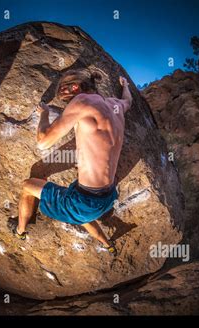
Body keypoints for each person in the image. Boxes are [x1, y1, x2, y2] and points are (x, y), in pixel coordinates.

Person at [8, 69, 132, 256]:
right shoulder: (115, 105)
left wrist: (44, 114)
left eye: (64, 95)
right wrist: (126, 86)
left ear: (75, 87)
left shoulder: (81, 102)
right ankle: (107, 244)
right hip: (108, 196)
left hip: (85, 201)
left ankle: (20, 231)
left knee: (27, 186)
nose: (65, 104)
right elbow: (128, 101)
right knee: (81, 213)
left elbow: (43, 142)